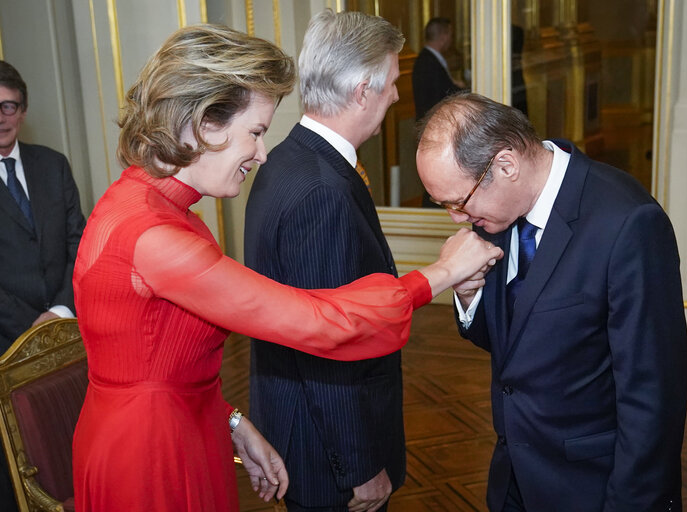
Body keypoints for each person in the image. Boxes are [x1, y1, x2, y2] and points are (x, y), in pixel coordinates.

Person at [71, 25, 502, 512]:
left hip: (182, 426)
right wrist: (442, 273)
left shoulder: (148, 205)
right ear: (204, 123)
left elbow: (159, 362)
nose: (260, 153)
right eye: (254, 132)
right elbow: (314, 322)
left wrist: (233, 422)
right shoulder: (156, 237)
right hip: (151, 456)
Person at [416, 93, 687, 511]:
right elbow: (523, 343)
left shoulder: (627, 222)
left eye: (458, 201)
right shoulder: (496, 214)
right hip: (514, 477)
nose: (456, 217)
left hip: (591, 487)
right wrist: (470, 297)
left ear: (505, 165)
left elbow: (652, 395)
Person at [244, 10, 405, 512]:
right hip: (326, 449)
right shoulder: (322, 190)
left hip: (297, 421)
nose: (397, 95)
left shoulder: (290, 157)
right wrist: (360, 468)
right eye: (392, 82)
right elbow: (327, 345)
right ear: (362, 90)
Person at [0, 60, 86, 512]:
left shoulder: (52, 165)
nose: (0, 116)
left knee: (68, 453)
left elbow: (80, 244)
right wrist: (31, 326)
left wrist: (61, 311)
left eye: (8, 105)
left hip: (66, 337)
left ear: (23, 110)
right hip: (4, 346)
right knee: (15, 469)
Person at [412, 17, 464, 121]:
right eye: (450, 35)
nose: (451, 39)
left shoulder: (429, 58)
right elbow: (443, 95)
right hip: (432, 121)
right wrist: (464, 89)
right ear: (444, 37)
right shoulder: (427, 62)